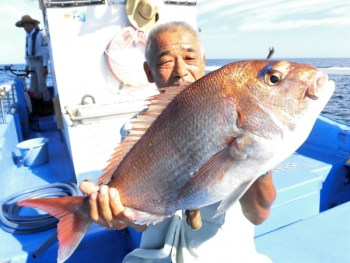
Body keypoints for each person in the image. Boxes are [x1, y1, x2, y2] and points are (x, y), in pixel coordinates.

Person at [80, 21, 276, 262]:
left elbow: (258, 214)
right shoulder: (134, 129)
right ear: (149, 72)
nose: (180, 70)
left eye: (190, 58)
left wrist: (256, 156)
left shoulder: (234, 120)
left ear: (204, 61)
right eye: (164, 61)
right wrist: (116, 213)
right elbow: (140, 225)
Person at [15, 15, 52, 116]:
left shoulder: (40, 35)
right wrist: (27, 66)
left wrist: (45, 66)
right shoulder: (28, 37)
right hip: (32, 63)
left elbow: (45, 52)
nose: (26, 27)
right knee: (33, 87)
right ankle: (40, 107)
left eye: (27, 24)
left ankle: (48, 108)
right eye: (24, 25)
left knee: (42, 85)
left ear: (33, 24)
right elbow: (27, 52)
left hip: (40, 62)